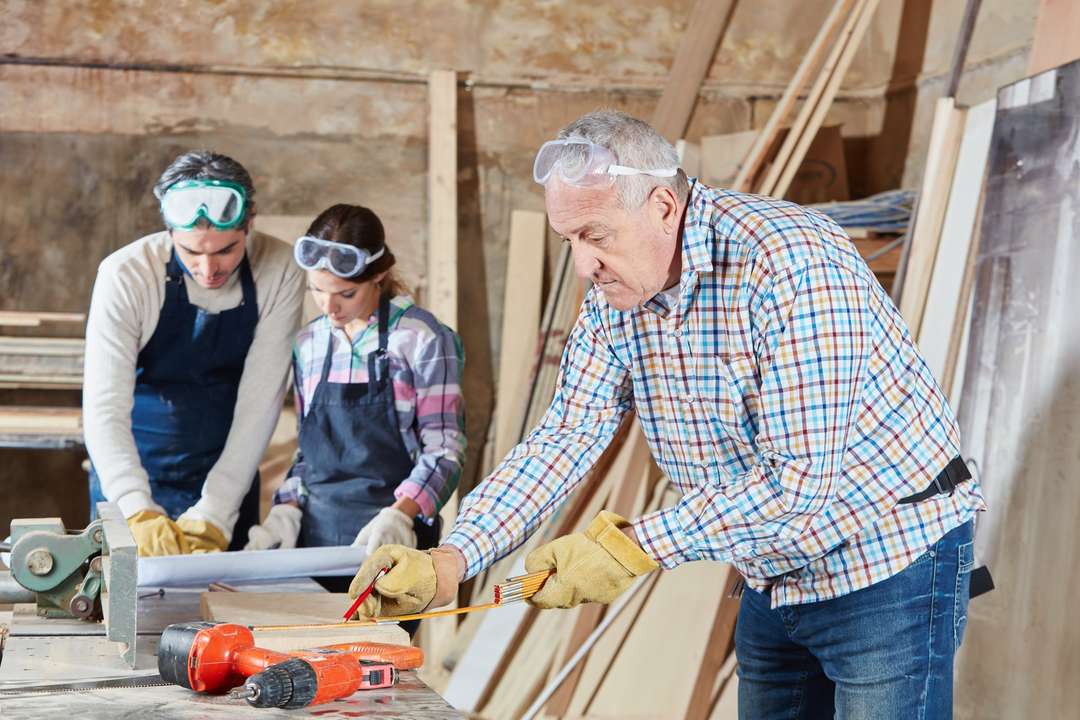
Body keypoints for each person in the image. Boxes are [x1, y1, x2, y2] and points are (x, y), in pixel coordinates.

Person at [347, 110, 987, 718]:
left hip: (887, 563)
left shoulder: (790, 263)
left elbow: (799, 485)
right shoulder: (614, 296)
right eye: (568, 239)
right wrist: (453, 560)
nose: (582, 264)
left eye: (595, 236)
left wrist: (632, 547)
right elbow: (567, 435)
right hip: (774, 571)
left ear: (661, 206)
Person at [83, 150, 304, 556]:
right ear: (169, 232)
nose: (208, 269)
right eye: (190, 252)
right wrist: (135, 508)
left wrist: (216, 513)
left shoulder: (281, 270)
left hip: (228, 469)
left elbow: (260, 403)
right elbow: (103, 407)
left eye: (225, 250)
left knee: (225, 613)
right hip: (131, 465)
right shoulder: (126, 274)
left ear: (250, 223)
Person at [244, 204, 465, 596]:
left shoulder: (421, 339)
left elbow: (445, 450)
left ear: (378, 275)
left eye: (346, 294)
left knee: (374, 655)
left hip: (392, 543)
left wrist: (401, 515)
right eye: (316, 290)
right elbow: (309, 453)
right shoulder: (309, 344)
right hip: (317, 541)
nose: (329, 308)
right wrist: (286, 508)